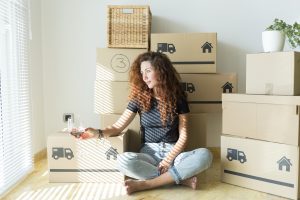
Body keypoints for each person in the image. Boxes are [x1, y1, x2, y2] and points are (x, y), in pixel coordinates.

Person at [77, 51, 213, 194]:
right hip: (149, 156)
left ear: (161, 71)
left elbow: (183, 136)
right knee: (122, 161)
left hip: (175, 155)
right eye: (142, 72)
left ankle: (147, 184)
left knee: (206, 155)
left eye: (148, 71)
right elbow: (117, 127)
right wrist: (97, 133)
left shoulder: (178, 99)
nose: (144, 77)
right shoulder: (139, 98)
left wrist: (168, 160)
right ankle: (179, 178)